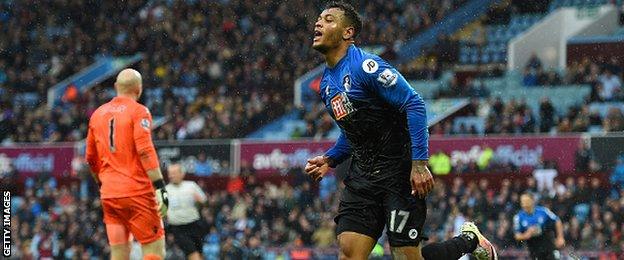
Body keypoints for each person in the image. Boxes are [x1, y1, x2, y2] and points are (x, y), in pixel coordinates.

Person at [304, 2, 497, 260]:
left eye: (328, 20)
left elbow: (414, 104)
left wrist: (419, 164)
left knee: (406, 257)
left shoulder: (366, 67)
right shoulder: (327, 83)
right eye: (319, 19)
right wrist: (331, 158)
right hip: (363, 177)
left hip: (399, 172)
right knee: (349, 253)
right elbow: (355, 132)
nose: (319, 23)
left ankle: (470, 240)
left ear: (347, 32)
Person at [85, 68, 168, 260]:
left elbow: (90, 158)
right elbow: (145, 149)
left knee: (119, 254)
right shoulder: (139, 111)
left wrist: (101, 183)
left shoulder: (97, 114)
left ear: (116, 87)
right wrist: (159, 186)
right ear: (139, 89)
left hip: (110, 195)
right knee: (154, 251)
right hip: (137, 193)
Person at [165, 163, 208, 260]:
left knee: (199, 254)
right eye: (169, 173)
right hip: (178, 229)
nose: (171, 176)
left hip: (194, 225)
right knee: (193, 254)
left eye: (174, 173)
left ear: (182, 174)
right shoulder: (165, 190)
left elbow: (205, 203)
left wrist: (200, 202)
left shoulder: (191, 185)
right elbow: (162, 210)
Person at [513, 193, 565, 260]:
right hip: (533, 246)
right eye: (522, 202)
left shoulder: (543, 211)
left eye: (526, 201)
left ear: (532, 201)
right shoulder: (518, 217)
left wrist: (560, 237)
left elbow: (557, 221)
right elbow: (517, 235)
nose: (524, 204)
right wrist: (526, 235)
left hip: (548, 243)